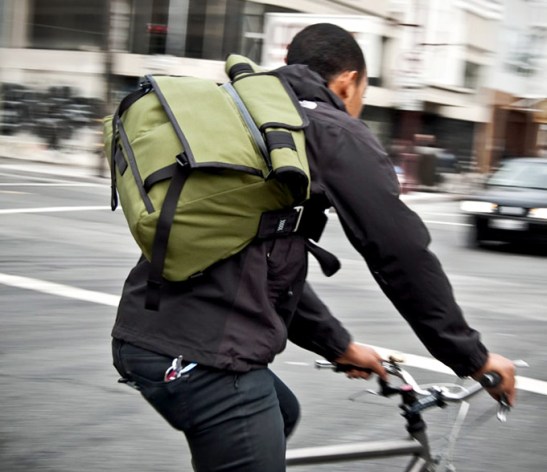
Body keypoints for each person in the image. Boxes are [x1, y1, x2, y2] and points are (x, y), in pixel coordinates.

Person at [111, 23, 516, 472]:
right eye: (362, 95)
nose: (358, 108)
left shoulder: (258, 123)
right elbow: (401, 254)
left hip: (145, 334)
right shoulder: (331, 130)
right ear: (347, 82)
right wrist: (473, 358)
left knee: (282, 414)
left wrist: (339, 345)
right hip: (205, 356)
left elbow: (255, 262)